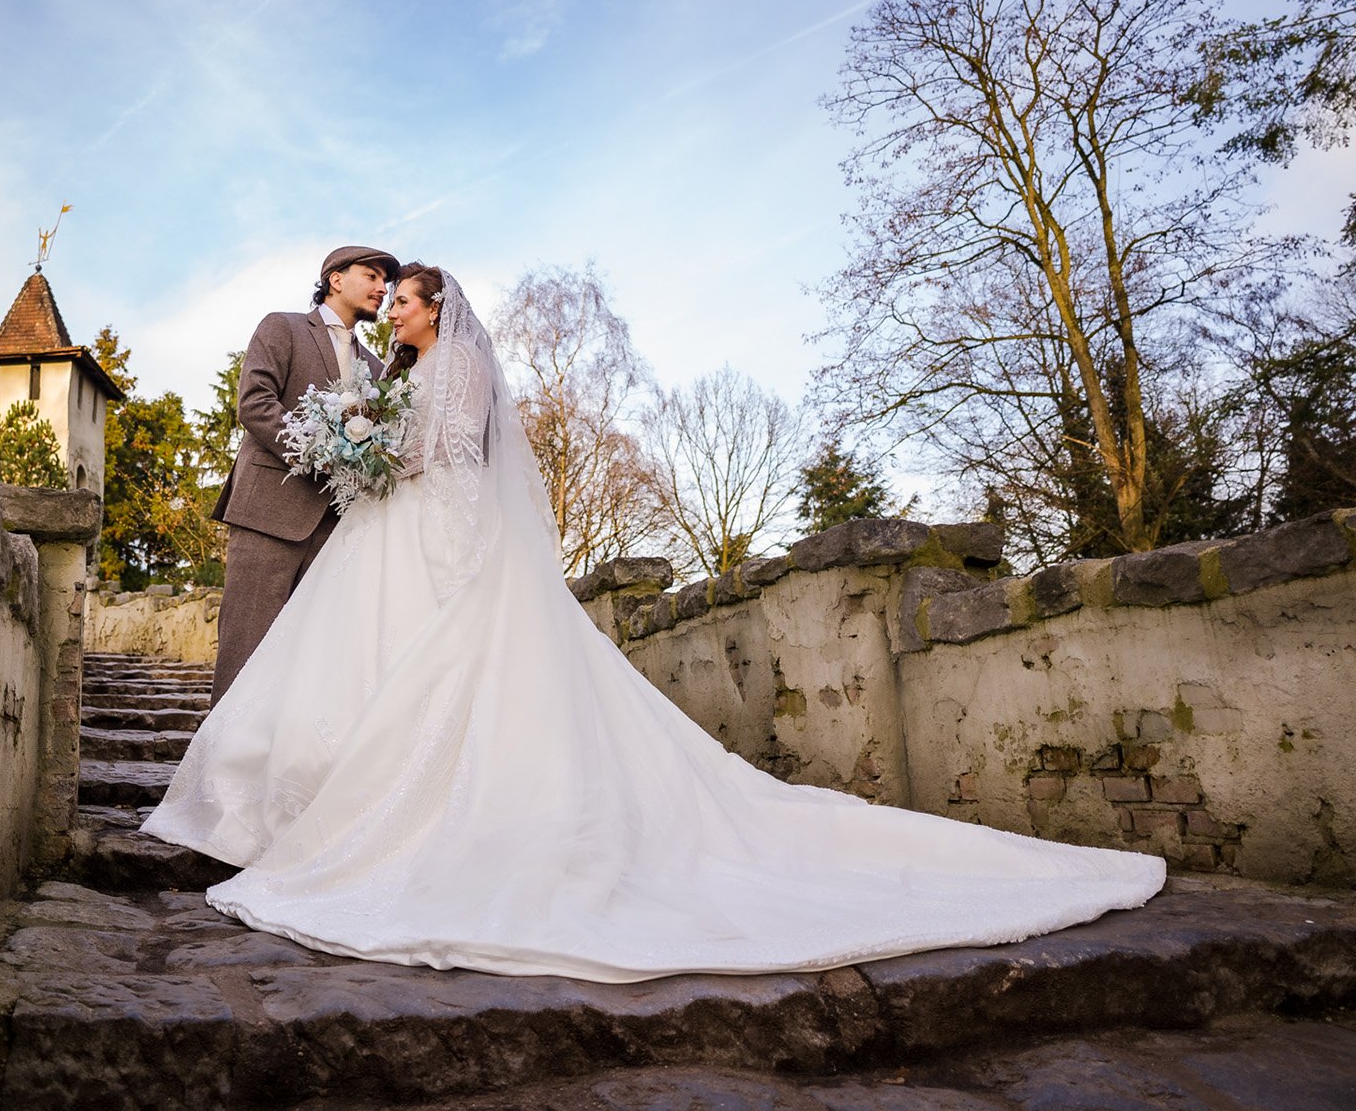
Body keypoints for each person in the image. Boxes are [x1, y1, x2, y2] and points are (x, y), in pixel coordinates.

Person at [145, 265, 1165, 982]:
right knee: (383, 669)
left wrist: (374, 451)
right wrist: (366, 442)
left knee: (446, 672)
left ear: (430, 308)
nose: (392, 307)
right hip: (395, 534)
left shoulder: (447, 370)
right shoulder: (379, 360)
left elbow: (445, 452)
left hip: (433, 529)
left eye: (403, 297)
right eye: (387, 295)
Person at [208, 245, 398, 706]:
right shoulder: (283, 327)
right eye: (371, 276)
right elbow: (254, 403)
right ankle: (218, 772)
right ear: (335, 278)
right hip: (269, 513)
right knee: (246, 651)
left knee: (313, 662)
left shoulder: (377, 369)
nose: (382, 289)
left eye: (386, 283)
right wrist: (322, 450)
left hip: (339, 532)